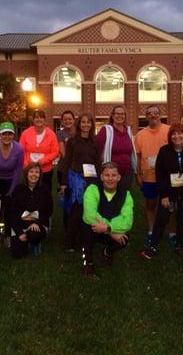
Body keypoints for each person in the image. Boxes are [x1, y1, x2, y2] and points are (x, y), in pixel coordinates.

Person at [140, 123, 183, 258]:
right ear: (170, 136)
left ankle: (179, 245)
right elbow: (160, 174)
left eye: (180, 133)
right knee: (162, 218)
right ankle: (152, 247)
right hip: (168, 191)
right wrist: (164, 194)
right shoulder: (164, 151)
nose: (177, 136)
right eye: (174, 134)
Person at [81, 162, 133, 278]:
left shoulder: (126, 194)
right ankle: (88, 264)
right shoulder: (92, 189)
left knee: (124, 238)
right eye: (107, 175)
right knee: (86, 228)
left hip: (107, 229)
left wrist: (109, 229)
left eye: (113, 175)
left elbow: (128, 220)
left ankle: (107, 252)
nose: (110, 179)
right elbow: (90, 214)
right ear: (101, 176)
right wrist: (110, 229)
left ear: (119, 177)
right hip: (94, 228)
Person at [59, 113, 100, 251]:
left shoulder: (95, 142)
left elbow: (98, 163)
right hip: (75, 179)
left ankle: (85, 240)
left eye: (88, 122)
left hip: (91, 180)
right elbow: (67, 162)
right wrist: (64, 182)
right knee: (75, 212)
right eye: (83, 122)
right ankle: (69, 243)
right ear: (79, 124)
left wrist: (100, 181)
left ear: (92, 125)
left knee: (88, 210)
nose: (86, 124)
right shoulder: (72, 141)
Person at [134, 105, 170, 248]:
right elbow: (138, 156)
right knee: (150, 204)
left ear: (160, 115)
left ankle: (172, 233)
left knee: (169, 206)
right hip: (148, 177)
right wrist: (138, 174)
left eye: (156, 113)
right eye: (150, 113)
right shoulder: (141, 134)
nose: (153, 115)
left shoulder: (168, 130)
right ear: (146, 117)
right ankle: (151, 231)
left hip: (167, 177)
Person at [8, 162, 53, 258]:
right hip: (21, 224)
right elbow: (13, 212)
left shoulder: (44, 189)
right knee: (17, 254)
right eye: (31, 171)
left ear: (40, 174)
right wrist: (19, 233)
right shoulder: (18, 189)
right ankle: (26, 242)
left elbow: (49, 210)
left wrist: (37, 223)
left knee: (33, 235)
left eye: (37, 172)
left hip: (38, 224)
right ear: (26, 173)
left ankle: (35, 243)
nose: (34, 174)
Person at [96, 105, 137, 190]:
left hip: (126, 173)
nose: (120, 116)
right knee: (110, 199)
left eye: (122, 114)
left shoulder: (128, 130)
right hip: (110, 175)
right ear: (112, 115)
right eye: (117, 113)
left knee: (124, 198)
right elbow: (97, 151)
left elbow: (131, 152)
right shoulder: (106, 130)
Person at [19, 109, 59, 190]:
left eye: (41, 117)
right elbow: (21, 150)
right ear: (33, 120)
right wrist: (26, 164)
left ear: (44, 120)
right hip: (29, 169)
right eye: (36, 117)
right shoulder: (25, 133)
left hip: (45, 170)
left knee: (45, 192)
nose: (39, 119)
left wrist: (42, 161)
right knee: (28, 191)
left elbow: (55, 152)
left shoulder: (51, 134)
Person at [56, 110, 75, 186]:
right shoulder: (59, 134)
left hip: (77, 168)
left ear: (74, 120)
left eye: (70, 119)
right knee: (64, 193)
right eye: (65, 119)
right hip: (63, 168)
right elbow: (63, 154)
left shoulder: (78, 133)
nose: (68, 121)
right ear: (62, 121)